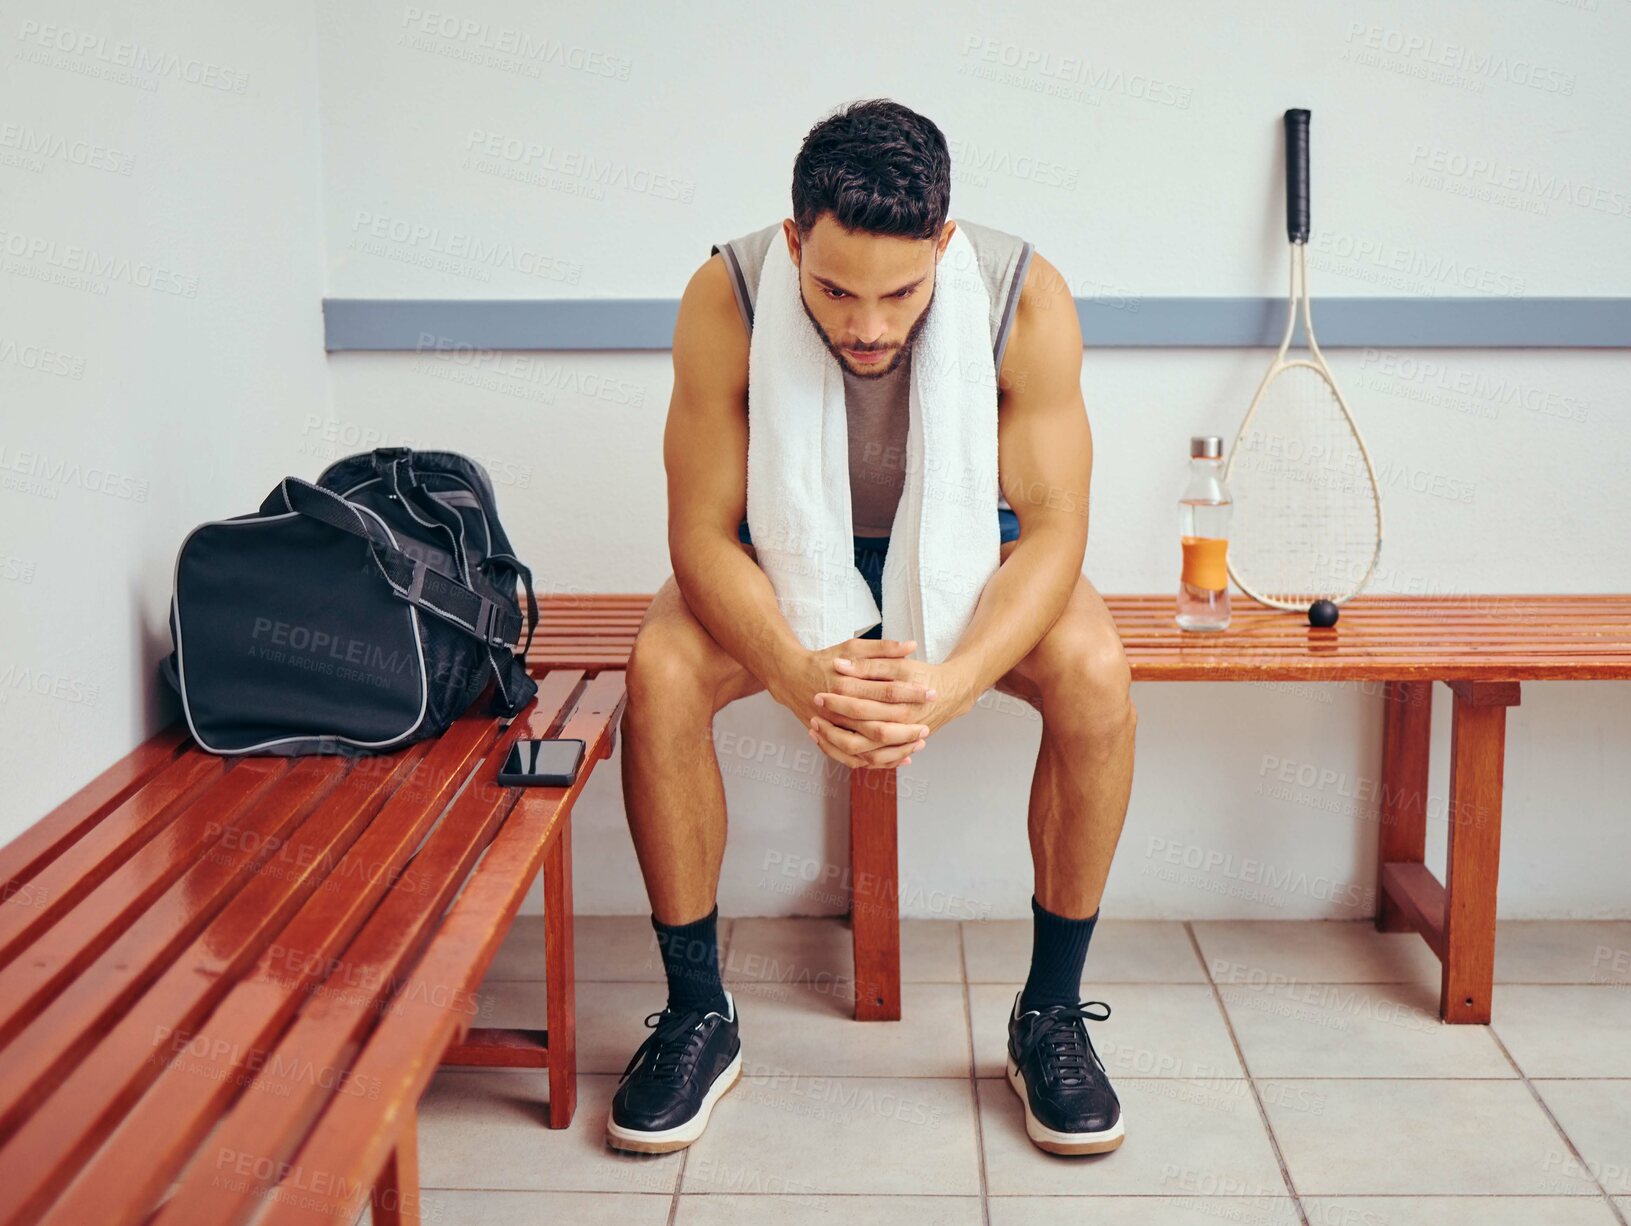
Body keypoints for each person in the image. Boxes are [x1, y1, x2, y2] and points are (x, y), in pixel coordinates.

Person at [606, 98, 1137, 1158]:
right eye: (835, 288)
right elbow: (702, 534)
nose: (868, 323)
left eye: (900, 291)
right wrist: (802, 677)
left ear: (944, 244)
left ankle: (1050, 1014)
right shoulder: (726, 294)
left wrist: (950, 681)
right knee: (660, 668)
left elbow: (1054, 532)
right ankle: (698, 1013)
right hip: (779, 548)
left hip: (967, 542)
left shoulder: (1026, 299)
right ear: (794, 240)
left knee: (1091, 666)